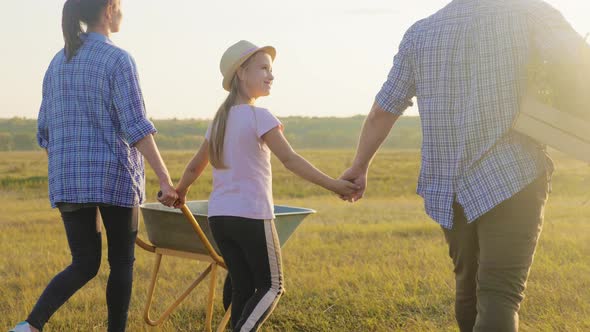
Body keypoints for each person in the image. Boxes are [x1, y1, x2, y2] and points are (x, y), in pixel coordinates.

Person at [339, 1, 587, 331]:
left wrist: (359, 165)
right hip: (513, 176)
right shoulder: (530, 12)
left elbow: (381, 111)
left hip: (447, 188)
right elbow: (579, 61)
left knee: (467, 291)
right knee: (499, 294)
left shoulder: (420, 33)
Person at [10, 1, 177, 331]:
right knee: (121, 263)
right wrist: (166, 180)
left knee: (84, 262)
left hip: (68, 180)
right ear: (109, 9)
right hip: (115, 177)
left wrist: (70, 174)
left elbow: (45, 131)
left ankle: (30, 326)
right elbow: (136, 127)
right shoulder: (118, 59)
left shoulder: (57, 62)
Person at [173, 40, 359, 332]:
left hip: (220, 218)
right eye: (263, 68)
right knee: (273, 286)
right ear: (241, 73)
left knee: (243, 288)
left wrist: (180, 190)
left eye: (271, 70)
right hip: (252, 215)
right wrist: (334, 184)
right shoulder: (261, 116)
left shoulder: (219, 121)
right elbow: (291, 160)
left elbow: (196, 165)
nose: (271, 76)